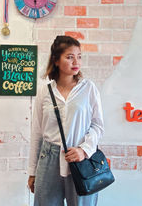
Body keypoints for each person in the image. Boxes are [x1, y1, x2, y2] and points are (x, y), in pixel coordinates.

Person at [27, 35, 104, 206]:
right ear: (56, 60)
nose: (76, 61)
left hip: (81, 159)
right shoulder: (45, 91)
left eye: (79, 56)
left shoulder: (89, 88)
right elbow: (37, 133)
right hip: (48, 159)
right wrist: (32, 172)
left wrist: (84, 150)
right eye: (69, 57)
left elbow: (98, 126)